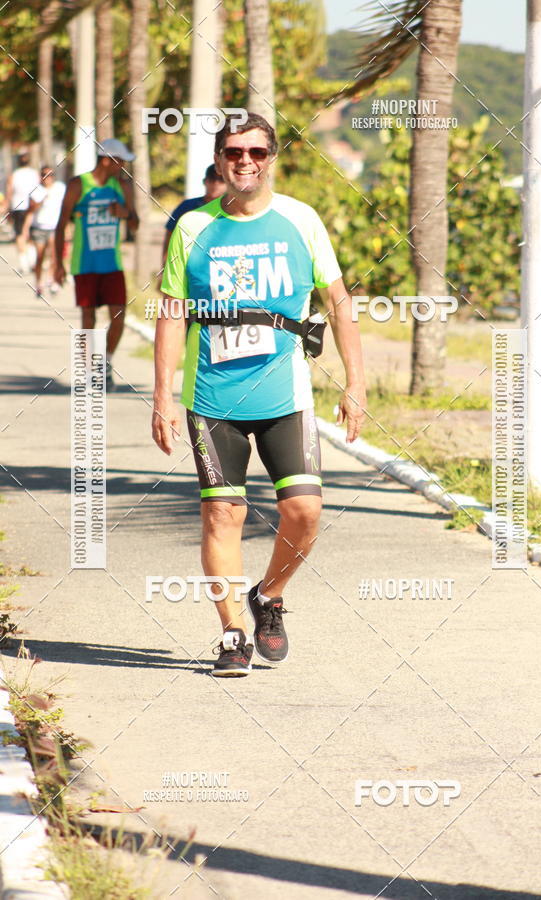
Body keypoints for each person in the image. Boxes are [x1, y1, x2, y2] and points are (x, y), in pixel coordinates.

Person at [152, 112, 366, 677]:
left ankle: (267, 597)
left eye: (256, 152)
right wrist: (161, 396)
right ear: (220, 160)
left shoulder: (301, 220)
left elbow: (339, 303)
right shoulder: (193, 228)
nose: (245, 162)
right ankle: (231, 634)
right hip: (213, 397)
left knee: (304, 511)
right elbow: (172, 313)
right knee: (223, 514)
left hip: (285, 394)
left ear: (272, 158)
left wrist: (356, 383)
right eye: (233, 153)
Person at [54, 139, 139, 390]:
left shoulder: (122, 186)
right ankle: (91, 370)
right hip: (84, 261)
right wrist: (58, 263)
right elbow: (61, 224)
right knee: (88, 317)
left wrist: (125, 214)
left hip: (112, 262)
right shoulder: (78, 184)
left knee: (119, 314)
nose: (123, 166)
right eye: (119, 161)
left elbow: (135, 224)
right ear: (106, 160)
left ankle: (107, 363)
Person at [157, 164, 225, 289]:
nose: (216, 183)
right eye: (212, 179)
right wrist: (164, 269)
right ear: (205, 182)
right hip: (186, 267)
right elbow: (170, 237)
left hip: (218, 270)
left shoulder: (231, 210)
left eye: (221, 180)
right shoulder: (187, 206)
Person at [29, 166, 66, 296]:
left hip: (55, 227)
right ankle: (38, 283)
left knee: (55, 256)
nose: (48, 178)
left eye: (50, 175)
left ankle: (51, 280)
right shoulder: (36, 190)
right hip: (39, 227)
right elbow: (31, 209)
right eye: (45, 175)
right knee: (40, 257)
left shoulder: (60, 188)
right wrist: (41, 200)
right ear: (41, 176)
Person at [5, 150, 39, 274]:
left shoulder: (14, 175)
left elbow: (9, 193)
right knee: (30, 234)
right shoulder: (34, 174)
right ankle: (33, 261)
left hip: (18, 207)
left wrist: (5, 208)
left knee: (20, 235)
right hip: (32, 207)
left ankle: (24, 264)